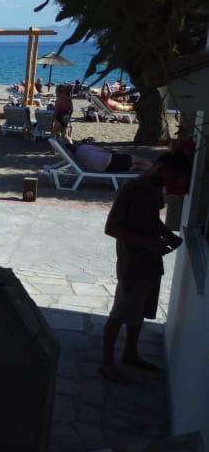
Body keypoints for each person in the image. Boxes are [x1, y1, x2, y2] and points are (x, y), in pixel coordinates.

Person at [99, 151, 192, 383]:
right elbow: (111, 228)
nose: (172, 183)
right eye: (173, 177)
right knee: (120, 314)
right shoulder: (131, 190)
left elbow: (153, 219)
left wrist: (169, 234)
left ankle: (130, 353)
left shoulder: (155, 189)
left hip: (151, 263)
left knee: (138, 312)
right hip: (132, 264)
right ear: (162, 167)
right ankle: (106, 364)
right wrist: (150, 243)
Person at [71, 138, 151, 173]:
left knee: (136, 165)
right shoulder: (83, 147)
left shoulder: (78, 158)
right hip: (112, 161)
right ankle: (156, 170)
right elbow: (101, 149)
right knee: (139, 159)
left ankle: (152, 170)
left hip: (108, 169)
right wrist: (111, 151)